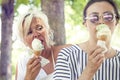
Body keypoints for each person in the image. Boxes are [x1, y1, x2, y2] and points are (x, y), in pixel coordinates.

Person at [53, 0, 120, 80]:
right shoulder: (67, 55)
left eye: (108, 17)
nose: (102, 22)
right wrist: (89, 71)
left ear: (116, 22)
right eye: (94, 18)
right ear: (85, 23)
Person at [15, 10, 71, 80]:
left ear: (48, 30)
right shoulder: (22, 62)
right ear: (24, 42)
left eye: (39, 28)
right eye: (29, 32)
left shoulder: (68, 51)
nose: (36, 34)